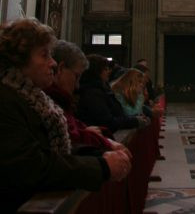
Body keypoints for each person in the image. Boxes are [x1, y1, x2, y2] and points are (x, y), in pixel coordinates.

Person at [0, 18, 132, 213]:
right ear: (19, 61)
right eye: (44, 55)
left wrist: (99, 155)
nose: (52, 63)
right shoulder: (6, 101)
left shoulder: (34, 98)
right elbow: (31, 167)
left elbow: (54, 149)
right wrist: (101, 167)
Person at [47, 41, 127, 152]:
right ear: (60, 69)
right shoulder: (49, 101)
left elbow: (72, 126)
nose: (77, 86)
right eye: (76, 76)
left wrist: (85, 131)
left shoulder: (60, 100)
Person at [78, 54, 145, 132]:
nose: (109, 71)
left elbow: (117, 114)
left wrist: (134, 118)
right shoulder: (93, 93)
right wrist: (134, 121)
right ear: (97, 71)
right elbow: (108, 122)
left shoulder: (103, 89)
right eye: (106, 69)